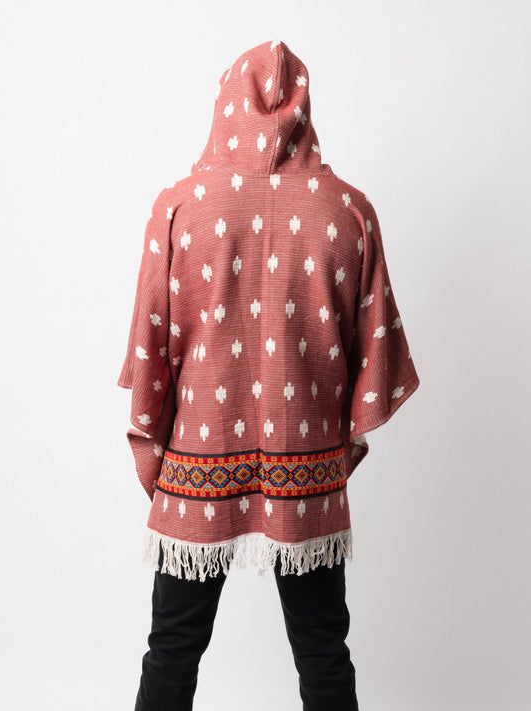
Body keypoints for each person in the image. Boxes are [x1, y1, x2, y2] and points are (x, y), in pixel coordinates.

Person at [117, 39, 420, 711]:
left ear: (225, 101)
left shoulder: (179, 206)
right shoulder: (348, 210)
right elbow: (373, 357)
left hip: (196, 460)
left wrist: (155, 442)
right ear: (303, 107)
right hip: (305, 461)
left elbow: (150, 347)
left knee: (171, 646)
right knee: (323, 647)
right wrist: (335, 441)